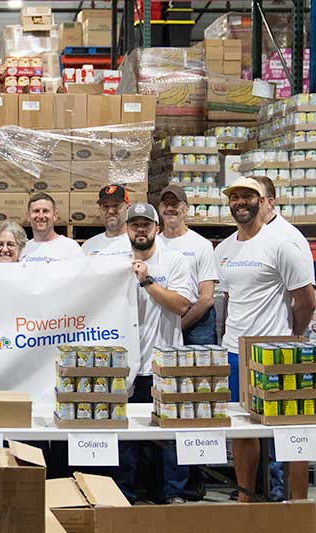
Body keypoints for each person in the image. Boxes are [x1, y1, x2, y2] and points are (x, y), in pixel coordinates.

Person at [215, 176, 316, 502]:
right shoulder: (224, 249)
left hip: (277, 353)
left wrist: (291, 339)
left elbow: (306, 300)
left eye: (247, 196)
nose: (240, 203)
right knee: (242, 430)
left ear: (262, 201)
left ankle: (296, 504)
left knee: (291, 431)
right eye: (235, 197)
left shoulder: (282, 244)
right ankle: (246, 500)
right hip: (235, 352)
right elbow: (230, 298)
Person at [111, 203, 197, 505]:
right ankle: (125, 495)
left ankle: (172, 494)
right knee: (125, 437)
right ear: (126, 229)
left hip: (163, 363)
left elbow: (182, 305)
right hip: (126, 366)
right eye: (135, 224)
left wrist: (146, 281)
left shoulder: (175, 261)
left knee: (168, 436)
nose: (140, 230)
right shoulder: (113, 265)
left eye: (146, 224)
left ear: (156, 228)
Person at [157, 185, 219, 345]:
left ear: (186, 209)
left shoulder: (201, 245)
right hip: (163, 318)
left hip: (197, 321)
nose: (170, 208)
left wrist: (180, 325)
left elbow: (206, 298)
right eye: (165, 204)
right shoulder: (154, 245)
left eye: (175, 204)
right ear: (160, 209)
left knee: (200, 362)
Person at [250, 175, 312, 258]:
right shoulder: (241, 235)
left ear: (270, 202)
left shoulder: (288, 238)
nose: (244, 203)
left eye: (251, 197)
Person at [20, 192, 83, 262]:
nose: (41, 216)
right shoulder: (22, 250)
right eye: (36, 211)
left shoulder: (71, 247)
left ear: (55, 216)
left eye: (45, 211)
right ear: (28, 217)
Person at [82, 185, 131, 256]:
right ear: (100, 210)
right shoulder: (88, 246)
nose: (111, 211)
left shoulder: (138, 243)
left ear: (128, 207)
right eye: (106, 206)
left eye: (116, 205)